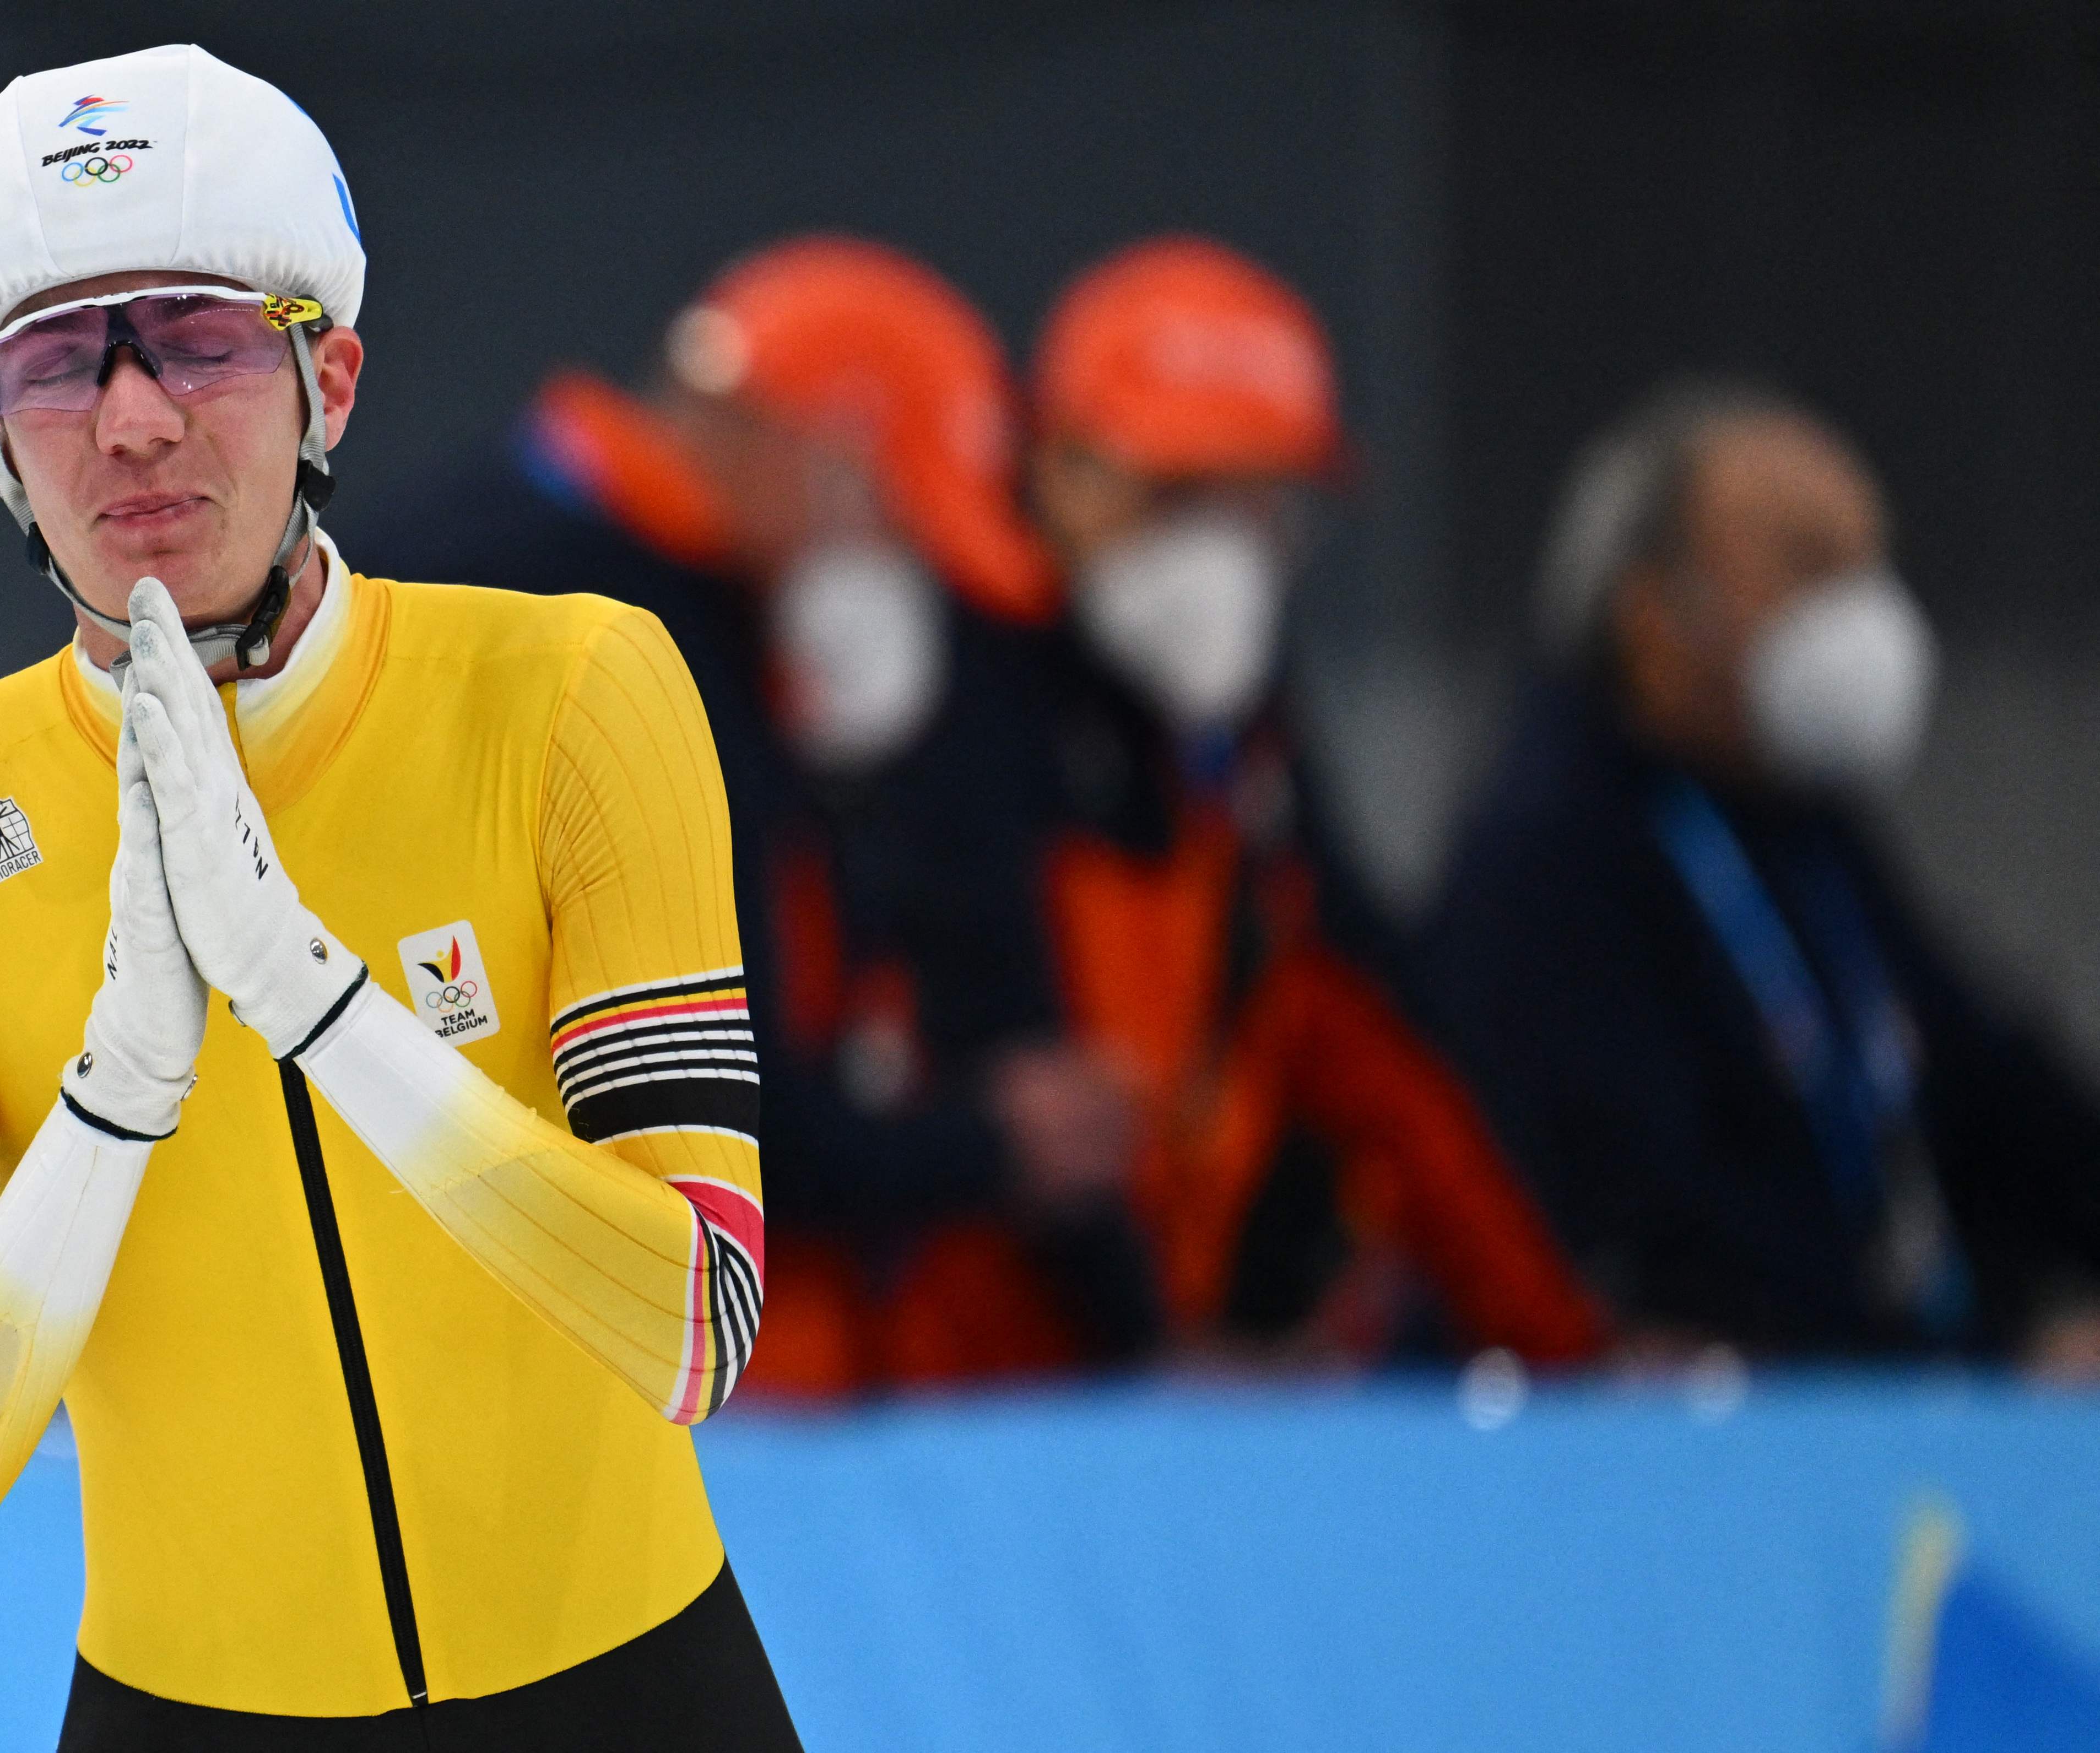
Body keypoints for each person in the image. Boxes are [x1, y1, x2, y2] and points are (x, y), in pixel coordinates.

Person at [0, 46, 799, 1746]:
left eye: (192, 337)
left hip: (635, 1685)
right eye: (53, 365)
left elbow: (700, 1320)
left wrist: (324, 1008)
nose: (130, 418)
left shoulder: (569, 692)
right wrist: (111, 1102)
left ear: (326, 377)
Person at [354, 238, 1165, 1391]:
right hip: (493, 1347)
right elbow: (689, 1100)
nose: (890, 572)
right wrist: (988, 1145)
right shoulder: (633, 640)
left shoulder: (474, 536)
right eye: (897, 524)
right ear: (822, 452)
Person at [1015, 237, 1607, 1365]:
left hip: (1161, 1388)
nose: (1226, 558)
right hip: (961, 1417)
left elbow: (1383, 1041)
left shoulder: (1239, 739)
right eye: (1185, 496)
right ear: (1059, 470)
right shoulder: (960, 721)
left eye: (1263, 509)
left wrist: (1565, 1346)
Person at [1423, 380, 2100, 1365]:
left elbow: (1986, 1079)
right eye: (1809, 568)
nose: (1863, 617)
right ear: (1651, 611)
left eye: (1870, 566)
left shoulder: (1798, 819)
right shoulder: (1545, 853)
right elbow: (1660, 1232)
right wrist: (1995, 1346)